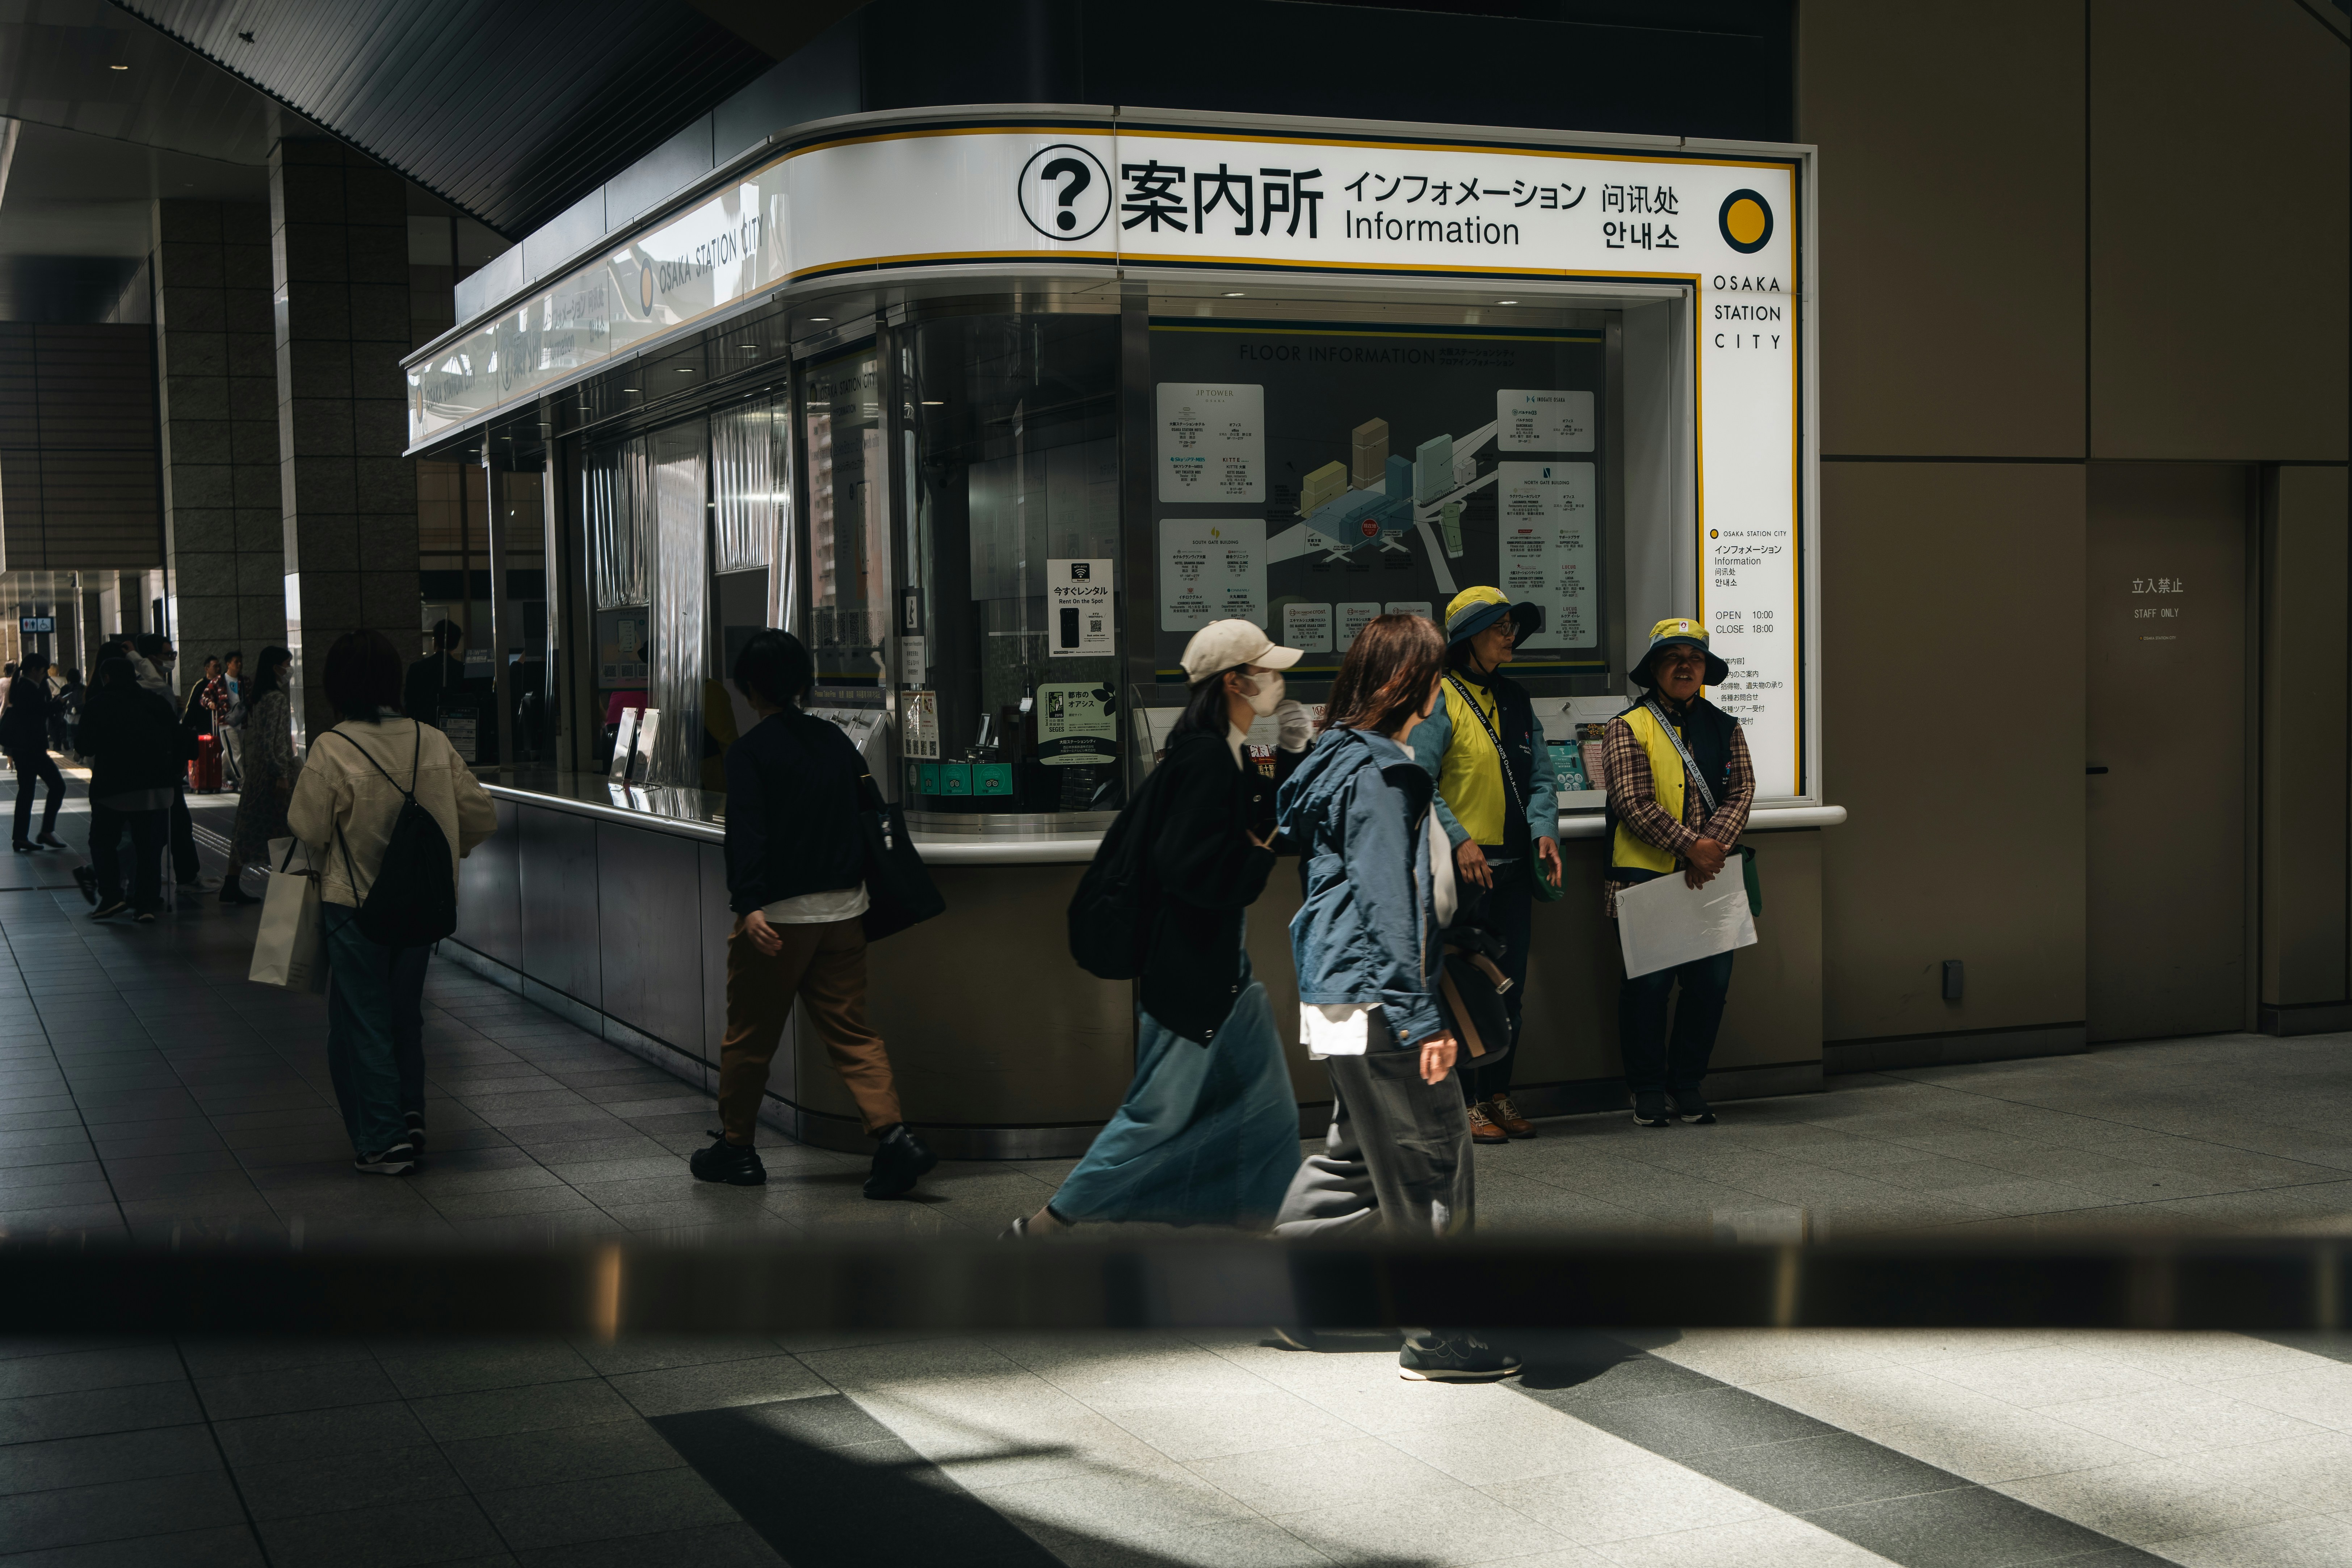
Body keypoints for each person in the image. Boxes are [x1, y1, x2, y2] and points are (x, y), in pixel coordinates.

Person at [1004, 620, 1310, 1239]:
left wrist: (1290, 757)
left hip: (1225, 970)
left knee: (1267, 1107)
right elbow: (1187, 865)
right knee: (1157, 1113)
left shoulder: (1214, 748)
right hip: (1192, 973)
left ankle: (1268, 1222)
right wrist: (1252, 859)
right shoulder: (1206, 759)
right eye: (1268, 671)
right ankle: (1044, 1225)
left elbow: (1250, 813)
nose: (1278, 681)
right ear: (1236, 681)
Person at [1271, 614, 1516, 1382]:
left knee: (1354, 1156)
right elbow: (1384, 900)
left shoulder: (1332, 757)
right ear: (1416, 683)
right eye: (1436, 675)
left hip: (1333, 989)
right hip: (1378, 998)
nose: (1441, 690)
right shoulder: (1380, 773)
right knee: (1434, 1158)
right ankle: (1438, 1332)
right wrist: (1419, 1020)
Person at [693, 629, 936, 1199]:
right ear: (803, 682)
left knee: (750, 1037)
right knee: (853, 1032)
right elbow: (867, 817)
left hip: (777, 919)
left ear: (750, 687)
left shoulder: (751, 752)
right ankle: (895, 1136)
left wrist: (749, 903)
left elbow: (747, 833)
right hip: (845, 912)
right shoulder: (835, 741)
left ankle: (737, 1148)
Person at [287, 629, 497, 1176]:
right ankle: (410, 1111)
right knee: (405, 1014)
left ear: (337, 684)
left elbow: (306, 826)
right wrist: (450, 849)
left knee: (362, 1020)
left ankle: (384, 1139)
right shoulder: (431, 739)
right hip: (422, 906)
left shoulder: (334, 747)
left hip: (353, 906)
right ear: (392, 681)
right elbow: (480, 815)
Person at [1411, 588, 1563, 1145]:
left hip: (1514, 869)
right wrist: (1460, 840)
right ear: (1470, 637)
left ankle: (1498, 1092)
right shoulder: (1438, 698)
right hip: (1462, 875)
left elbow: (1542, 778)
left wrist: (1545, 829)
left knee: (1509, 989)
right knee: (1460, 989)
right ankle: (1463, 1101)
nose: (1510, 635)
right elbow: (1420, 782)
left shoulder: (1517, 698)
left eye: (1511, 626)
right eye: (1500, 626)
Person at [1604, 617, 1755, 1128]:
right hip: (1646, 879)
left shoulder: (1727, 725)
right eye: (1673, 658)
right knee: (1646, 991)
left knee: (1710, 989)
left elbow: (1742, 792)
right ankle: (1646, 1089)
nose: (1685, 666)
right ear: (1654, 670)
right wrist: (1695, 847)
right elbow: (1632, 801)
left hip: (1711, 882)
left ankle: (1687, 1084)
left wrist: (1710, 851)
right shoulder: (1627, 725)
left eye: (1695, 658)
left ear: (1706, 670)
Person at [75, 657, 180, 922]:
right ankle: (145, 904)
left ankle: (112, 896)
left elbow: (84, 746)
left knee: (102, 841)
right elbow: (176, 737)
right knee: (148, 847)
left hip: (113, 788)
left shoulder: (98, 704)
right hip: (153, 788)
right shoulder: (154, 702)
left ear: (107, 677)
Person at [221, 646, 296, 906]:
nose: (289, 669)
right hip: (272, 774)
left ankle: (231, 884)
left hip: (257, 772)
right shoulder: (275, 698)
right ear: (276, 667)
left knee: (247, 827)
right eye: (287, 664)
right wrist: (282, 772)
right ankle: (289, 887)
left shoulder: (257, 696)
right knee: (287, 828)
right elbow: (273, 740)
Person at [130, 633, 205, 888]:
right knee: (165, 828)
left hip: (160, 770)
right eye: (168, 654)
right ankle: (172, 878)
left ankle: (184, 874)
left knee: (174, 826)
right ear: (151, 658)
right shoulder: (151, 688)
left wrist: (177, 710)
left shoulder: (156, 688)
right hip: (160, 770)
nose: (172, 659)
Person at [1, 655, 66, 853]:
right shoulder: (28, 687)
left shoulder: (21, 685)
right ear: (35, 670)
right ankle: (45, 831)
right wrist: (56, 705)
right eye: (44, 671)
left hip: (24, 749)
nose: (45, 675)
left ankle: (22, 837)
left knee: (27, 791)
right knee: (58, 786)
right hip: (32, 749)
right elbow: (36, 711)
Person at [404, 619, 466, 728]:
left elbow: (409, 706)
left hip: (424, 729)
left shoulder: (416, 668)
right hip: (456, 729)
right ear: (456, 645)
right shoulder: (463, 670)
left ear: (435, 641)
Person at [54, 667, 83, 758]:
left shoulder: (66, 688)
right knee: (80, 734)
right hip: (81, 714)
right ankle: (79, 753)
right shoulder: (83, 688)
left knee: (71, 734)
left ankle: (72, 747)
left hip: (69, 715)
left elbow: (62, 702)